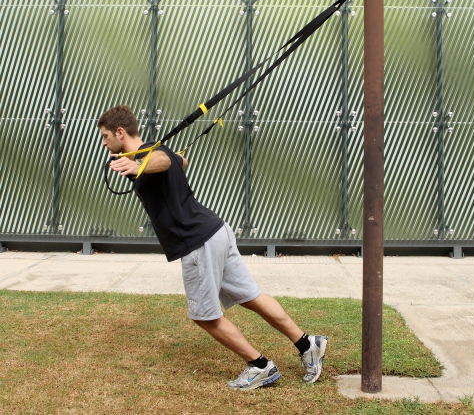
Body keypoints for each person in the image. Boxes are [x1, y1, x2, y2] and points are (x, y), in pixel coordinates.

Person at [97, 105, 327, 390]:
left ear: (121, 132)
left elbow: (163, 163)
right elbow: (178, 162)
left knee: (204, 316)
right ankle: (309, 344)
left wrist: (139, 165)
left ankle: (260, 366)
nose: (104, 144)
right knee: (250, 296)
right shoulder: (156, 150)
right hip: (216, 231)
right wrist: (162, 161)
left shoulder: (150, 156)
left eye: (106, 137)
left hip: (197, 243)